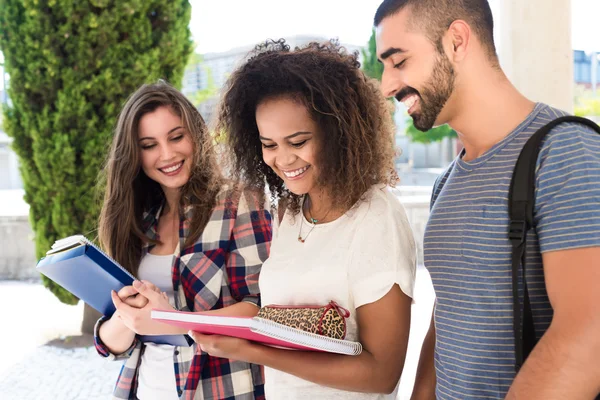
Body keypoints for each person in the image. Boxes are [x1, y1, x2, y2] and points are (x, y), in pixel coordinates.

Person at [374, 1, 600, 399]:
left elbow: (589, 331)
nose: (386, 85)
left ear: (457, 41)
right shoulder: (446, 183)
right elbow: (448, 317)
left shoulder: (566, 150)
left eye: (399, 61)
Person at [186, 39, 417, 399]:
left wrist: (251, 352)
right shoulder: (289, 213)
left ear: (337, 132)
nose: (283, 159)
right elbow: (278, 318)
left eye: (297, 141)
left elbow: (381, 373)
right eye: (269, 144)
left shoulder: (376, 217)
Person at [94, 81, 272, 400]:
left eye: (176, 137)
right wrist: (129, 316)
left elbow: (260, 311)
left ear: (196, 134)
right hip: (145, 389)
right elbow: (112, 344)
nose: (167, 154)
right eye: (149, 145)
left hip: (220, 390)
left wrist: (171, 320)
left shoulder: (240, 203)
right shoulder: (139, 220)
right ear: (134, 153)